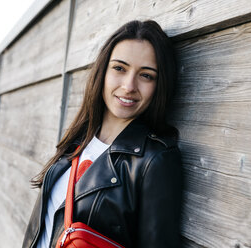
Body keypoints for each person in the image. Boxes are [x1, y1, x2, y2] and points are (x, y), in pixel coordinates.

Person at [22, 20, 183, 248]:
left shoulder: (155, 161)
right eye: (119, 68)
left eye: (146, 75)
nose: (129, 86)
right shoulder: (79, 139)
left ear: (160, 85)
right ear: (103, 72)